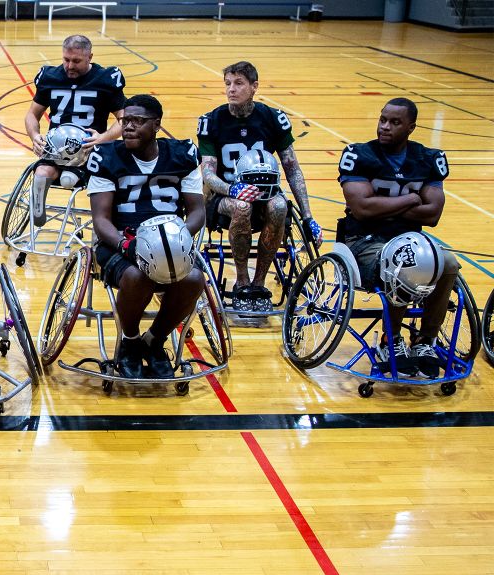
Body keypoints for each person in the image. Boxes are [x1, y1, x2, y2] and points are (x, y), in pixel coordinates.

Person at [87, 94, 207, 380]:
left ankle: (154, 340)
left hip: (169, 242)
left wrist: (176, 240)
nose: (128, 126)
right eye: (125, 120)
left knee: (193, 279)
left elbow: (197, 212)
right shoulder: (105, 156)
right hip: (119, 243)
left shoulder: (182, 154)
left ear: (156, 125)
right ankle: (129, 342)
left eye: (137, 121)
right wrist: (126, 245)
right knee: (138, 277)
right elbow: (101, 220)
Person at [336, 97, 456, 378]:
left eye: (395, 122)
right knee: (406, 265)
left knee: (448, 263)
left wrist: (386, 207)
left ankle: (426, 340)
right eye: (382, 120)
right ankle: (391, 341)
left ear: (411, 127)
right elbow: (362, 209)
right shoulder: (359, 155)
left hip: (412, 242)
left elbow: (433, 214)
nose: (385, 127)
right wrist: (413, 197)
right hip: (363, 241)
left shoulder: (428, 158)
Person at [197, 60, 322, 312]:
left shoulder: (273, 118)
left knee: (278, 205)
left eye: (239, 83)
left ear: (254, 87)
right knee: (242, 206)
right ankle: (242, 282)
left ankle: (259, 283)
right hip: (224, 196)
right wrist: (233, 189)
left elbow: (292, 168)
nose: (231, 89)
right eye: (228, 84)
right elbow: (208, 175)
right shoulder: (212, 120)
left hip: (265, 194)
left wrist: (308, 216)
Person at [23, 34, 126, 227]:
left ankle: (103, 226)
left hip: (90, 151)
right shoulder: (50, 77)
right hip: (55, 149)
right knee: (42, 173)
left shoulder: (105, 79)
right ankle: (37, 214)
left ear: (90, 57)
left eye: (76, 61)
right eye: (66, 60)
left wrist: (103, 138)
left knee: (69, 179)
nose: (70, 66)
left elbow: (124, 119)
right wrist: (35, 136)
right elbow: (31, 115)